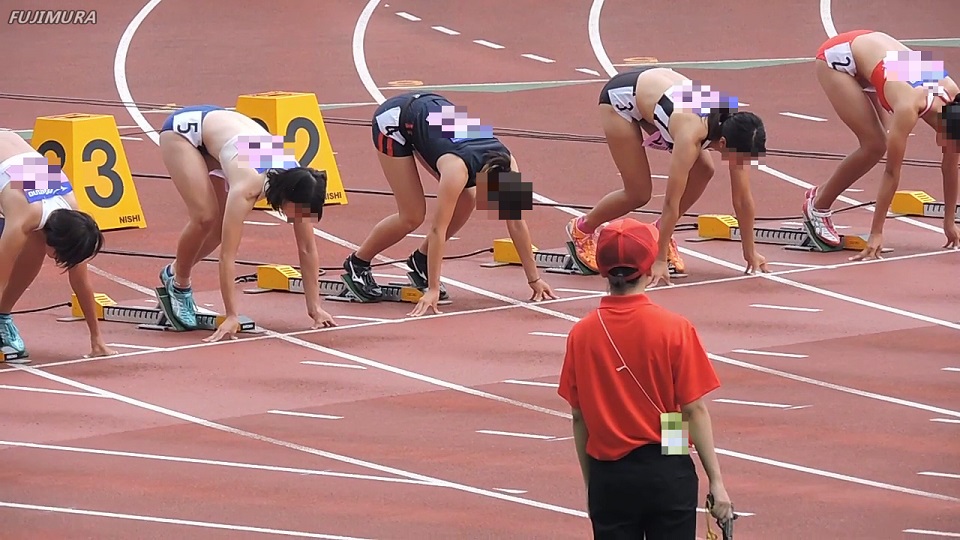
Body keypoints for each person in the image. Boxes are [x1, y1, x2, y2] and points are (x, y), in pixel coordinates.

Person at [558, 217, 734, 538]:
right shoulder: (674, 328)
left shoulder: (581, 334)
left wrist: (592, 485)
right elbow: (692, 410)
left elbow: (578, 415)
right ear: (649, 268)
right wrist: (717, 483)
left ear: (602, 269)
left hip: (608, 472)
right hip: (668, 459)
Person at [344, 91, 557, 316]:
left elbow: (516, 223)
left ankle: (421, 260)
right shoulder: (457, 170)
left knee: (469, 197)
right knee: (412, 215)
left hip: (434, 115)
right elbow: (438, 230)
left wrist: (534, 279)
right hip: (394, 121)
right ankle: (357, 263)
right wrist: (433, 289)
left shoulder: (509, 162)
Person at [566, 67, 770, 286]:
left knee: (705, 170)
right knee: (638, 193)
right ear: (722, 143)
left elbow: (742, 198)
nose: (743, 165)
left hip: (659, 90)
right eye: (742, 159)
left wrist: (750, 252)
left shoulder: (737, 129)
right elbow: (671, 201)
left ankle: (658, 230)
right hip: (620, 99)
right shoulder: (689, 135)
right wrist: (660, 259)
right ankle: (582, 228)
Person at [157, 105, 336, 341]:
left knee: (220, 229)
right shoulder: (247, 187)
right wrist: (232, 315)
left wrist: (314, 307)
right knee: (205, 217)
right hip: (184, 135)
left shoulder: (299, 177)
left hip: (225, 138)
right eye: (301, 211)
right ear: (288, 196)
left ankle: (172, 271)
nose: (301, 217)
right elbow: (227, 256)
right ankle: (180, 284)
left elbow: (307, 247)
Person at [804, 30, 960, 259]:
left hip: (876, 54)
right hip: (836, 58)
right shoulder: (908, 106)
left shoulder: (954, 94)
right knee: (875, 145)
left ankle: (820, 197)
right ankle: (817, 205)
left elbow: (950, 168)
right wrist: (876, 233)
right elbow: (891, 173)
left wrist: (949, 222)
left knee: (879, 140)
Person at [0, 130, 114, 362]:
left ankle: (2, 317)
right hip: (11, 164)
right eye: (59, 257)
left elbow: (81, 281)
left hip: (12, 153)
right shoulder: (24, 216)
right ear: (56, 244)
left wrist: (97, 339)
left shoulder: (72, 215)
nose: (57, 261)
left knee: (33, 247)